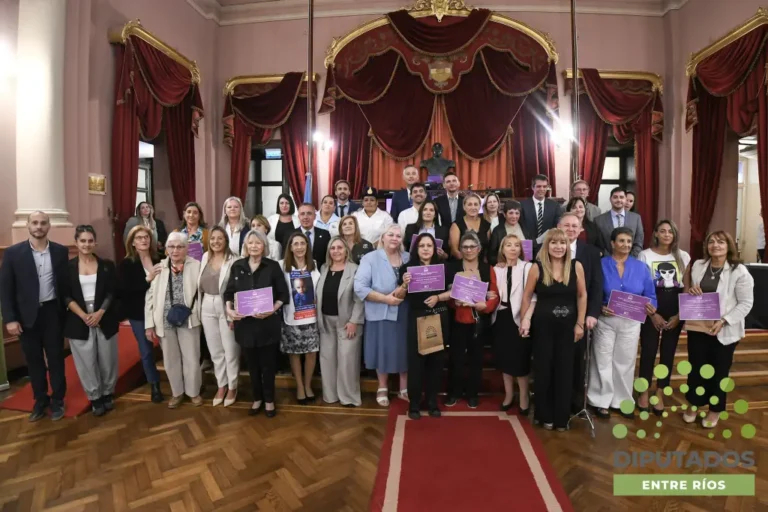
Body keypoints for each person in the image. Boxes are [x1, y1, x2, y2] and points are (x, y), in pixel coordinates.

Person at [0, 211, 69, 421]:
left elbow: (64, 285)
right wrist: (10, 319)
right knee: (34, 361)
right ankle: (40, 401)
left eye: (43, 223)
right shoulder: (13, 253)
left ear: (49, 226)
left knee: (56, 359)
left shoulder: (60, 252)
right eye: (35, 223)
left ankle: (58, 400)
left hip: (52, 313)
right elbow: (5, 289)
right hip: (26, 316)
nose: (39, 226)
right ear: (28, 226)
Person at [682, 231, 754, 428]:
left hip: (723, 330)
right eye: (711, 242)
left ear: (729, 246)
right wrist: (692, 291)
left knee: (719, 372)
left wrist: (724, 320)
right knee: (695, 369)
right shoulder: (698, 266)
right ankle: (694, 404)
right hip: (698, 328)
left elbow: (746, 303)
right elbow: (690, 292)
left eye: (721, 242)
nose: (715, 245)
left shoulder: (739, 271)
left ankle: (715, 410)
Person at [521, 229, 587, 431]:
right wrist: (525, 321)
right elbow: (527, 296)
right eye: (554, 243)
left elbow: (582, 295)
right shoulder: (536, 267)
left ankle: (561, 417)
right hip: (543, 328)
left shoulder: (576, 266)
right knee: (544, 371)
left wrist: (580, 323)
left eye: (562, 243)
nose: (558, 247)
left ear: (568, 246)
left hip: (568, 329)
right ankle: (544, 415)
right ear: (546, 245)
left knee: (565, 371)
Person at [587, 227, 657, 419]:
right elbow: (593, 292)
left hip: (631, 322)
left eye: (629, 241)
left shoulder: (641, 267)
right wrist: (600, 307)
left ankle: (621, 401)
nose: (626, 245)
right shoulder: (601, 264)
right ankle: (601, 401)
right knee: (602, 361)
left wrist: (651, 306)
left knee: (625, 362)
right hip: (605, 320)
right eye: (621, 241)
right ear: (612, 243)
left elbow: (650, 295)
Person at [224, 230, 288, 418]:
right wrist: (229, 310)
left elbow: (283, 294)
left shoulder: (273, 266)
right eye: (250, 243)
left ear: (264, 246)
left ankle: (269, 400)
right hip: (245, 326)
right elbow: (229, 293)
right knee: (252, 366)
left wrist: (273, 308)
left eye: (257, 243)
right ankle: (257, 399)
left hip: (267, 324)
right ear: (245, 246)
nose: (253, 246)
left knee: (268, 365)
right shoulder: (237, 266)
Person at [60, 225, 120, 417]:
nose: (86, 244)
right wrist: (84, 315)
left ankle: (108, 393)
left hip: (104, 315)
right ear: (76, 242)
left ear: (95, 242)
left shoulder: (106, 265)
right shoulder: (67, 267)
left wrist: (100, 312)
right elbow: (65, 296)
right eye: (82, 241)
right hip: (78, 318)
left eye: (90, 241)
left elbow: (112, 291)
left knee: (107, 359)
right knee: (86, 362)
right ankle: (95, 397)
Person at [637, 220, 691, 415]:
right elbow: (641, 287)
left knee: (668, 353)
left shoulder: (683, 256)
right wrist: (652, 314)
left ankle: (660, 392)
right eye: (662, 231)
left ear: (674, 235)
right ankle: (643, 391)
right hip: (651, 307)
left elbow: (685, 286)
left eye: (670, 231)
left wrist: (680, 315)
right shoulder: (644, 255)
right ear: (656, 234)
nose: (667, 234)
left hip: (675, 308)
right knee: (649, 351)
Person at [144, 232, 203, 409]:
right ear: (166, 249)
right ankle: (177, 393)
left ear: (187, 249)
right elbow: (150, 296)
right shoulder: (159, 267)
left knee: (192, 357)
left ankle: (193, 392)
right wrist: (149, 324)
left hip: (188, 318)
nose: (175, 250)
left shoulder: (196, 265)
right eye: (171, 247)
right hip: (164, 319)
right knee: (170, 359)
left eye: (179, 246)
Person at [354, 224, 410, 406]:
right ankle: (383, 386)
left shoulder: (408, 257)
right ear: (382, 238)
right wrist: (385, 299)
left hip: (404, 312)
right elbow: (360, 287)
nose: (395, 238)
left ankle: (404, 387)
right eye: (391, 234)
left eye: (398, 235)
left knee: (405, 349)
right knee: (381, 350)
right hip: (380, 311)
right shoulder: (370, 258)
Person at [445, 231, 499, 408]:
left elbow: (494, 295)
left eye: (472, 247)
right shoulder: (452, 267)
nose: (468, 250)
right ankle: (454, 392)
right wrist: (454, 301)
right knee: (456, 359)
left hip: (478, 321)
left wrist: (487, 306)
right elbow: (447, 295)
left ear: (479, 248)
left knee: (476, 360)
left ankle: (472, 394)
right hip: (458, 319)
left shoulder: (487, 269)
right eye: (465, 247)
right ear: (460, 249)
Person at [399, 233, 450, 419]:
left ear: (434, 248)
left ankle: (431, 402)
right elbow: (398, 296)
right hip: (417, 318)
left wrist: (438, 297)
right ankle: (414, 403)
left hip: (439, 317)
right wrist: (404, 285)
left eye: (429, 245)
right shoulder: (407, 269)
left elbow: (455, 291)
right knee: (416, 363)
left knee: (436, 363)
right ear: (416, 249)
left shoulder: (444, 268)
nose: (426, 249)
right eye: (422, 246)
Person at [557, 213, 603, 413]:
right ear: (558, 227)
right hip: (554, 314)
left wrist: (592, 313)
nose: (570, 229)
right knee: (555, 359)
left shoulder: (591, 253)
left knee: (577, 361)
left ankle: (574, 405)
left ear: (581, 229)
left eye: (575, 226)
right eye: (566, 225)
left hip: (580, 316)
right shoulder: (547, 249)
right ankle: (555, 401)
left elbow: (596, 286)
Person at [317, 237, 364, 406]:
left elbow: (360, 299)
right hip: (325, 322)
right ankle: (330, 395)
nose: (336, 251)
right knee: (327, 360)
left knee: (347, 361)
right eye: (332, 248)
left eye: (339, 248)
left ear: (346, 251)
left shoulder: (355, 269)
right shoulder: (323, 268)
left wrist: (354, 321)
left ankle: (349, 397)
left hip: (347, 322)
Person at [119, 226, 164, 404]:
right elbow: (126, 290)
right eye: (139, 238)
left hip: (160, 310)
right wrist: (148, 279)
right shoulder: (126, 264)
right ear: (132, 242)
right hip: (138, 312)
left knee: (167, 347)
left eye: (146, 237)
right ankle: (154, 385)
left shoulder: (159, 258)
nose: (143, 240)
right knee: (146, 351)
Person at [198, 226, 240, 407]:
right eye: (213, 238)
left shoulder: (234, 260)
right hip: (207, 304)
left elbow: (237, 289)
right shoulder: (204, 257)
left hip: (226, 306)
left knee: (230, 350)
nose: (215, 241)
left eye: (219, 238)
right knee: (215, 351)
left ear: (226, 240)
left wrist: (233, 314)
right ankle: (221, 385)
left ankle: (233, 386)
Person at [492, 235, 534, 413]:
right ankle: (509, 395)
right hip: (501, 317)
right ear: (502, 249)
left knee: (521, 360)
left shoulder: (528, 267)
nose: (513, 248)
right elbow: (492, 293)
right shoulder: (496, 269)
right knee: (505, 360)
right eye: (508, 245)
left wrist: (527, 318)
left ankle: (524, 396)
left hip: (521, 317)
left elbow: (534, 297)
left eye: (517, 245)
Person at [280, 232, 322, 404]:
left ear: (307, 246)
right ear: (290, 247)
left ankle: (308, 384)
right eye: (295, 244)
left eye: (302, 243)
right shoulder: (282, 266)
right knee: (294, 353)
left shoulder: (315, 265)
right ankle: (299, 386)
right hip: (291, 317)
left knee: (312, 352)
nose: (299, 247)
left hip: (311, 317)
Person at [594, 187, 644, 257]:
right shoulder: (599, 220)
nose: (619, 200)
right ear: (610, 199)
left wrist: (630, 258)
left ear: (625, 199)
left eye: (621, 197)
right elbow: (598, 244)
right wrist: (610, 259)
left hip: (630, 261)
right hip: (607, 262)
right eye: (615, 197)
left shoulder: (636, 218)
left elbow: (638, 241)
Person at [520, 174, 561, 246]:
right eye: (539, 186)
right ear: (532, 187)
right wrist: (534, 242)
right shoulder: (523, 205)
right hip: (528, 245)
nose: (542, 189)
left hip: (548, 245)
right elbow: (521, 227)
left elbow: (557, 226)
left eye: (544, 186)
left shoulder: (555, 206)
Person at [449, 193, 491, 260]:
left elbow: (488, 249)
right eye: (469, 204)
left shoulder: (486, 225)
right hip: (462, 264)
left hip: (481, 264)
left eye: (476, 204)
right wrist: (469, 263)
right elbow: (454, 251)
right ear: (464, 207)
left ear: (480, 206)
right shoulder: (456, 225)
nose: (473, 207)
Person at [488, 200, 531, 266]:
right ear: (505, 214)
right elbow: (491, 256)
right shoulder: (497, 231)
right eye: (511, 213)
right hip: (506, 268)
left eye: (517, 213)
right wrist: (500, 262)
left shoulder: (525, 227)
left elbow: (530, 248)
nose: (514, 216)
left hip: (525, 266)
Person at [295, 203, 331, 270]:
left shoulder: (325, 234)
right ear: (298, 217)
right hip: (297, 275)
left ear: (314, 216)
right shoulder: (290, 235)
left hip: (320, 274)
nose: (306, 217)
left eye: (309, 213)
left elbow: (328, 258)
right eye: (302, 214)